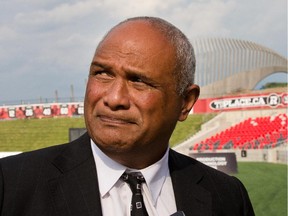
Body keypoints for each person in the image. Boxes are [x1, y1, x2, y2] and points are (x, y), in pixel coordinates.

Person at [0, 16, 254, 216]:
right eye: (102, 73)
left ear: (185, 103)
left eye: (138, 81)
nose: (114, 98)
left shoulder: (227, 197)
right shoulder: (10, 184)